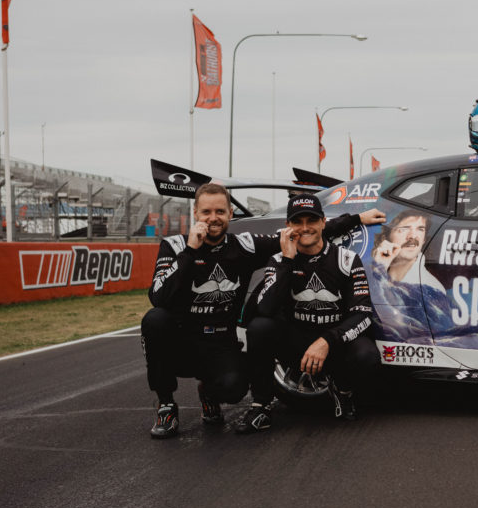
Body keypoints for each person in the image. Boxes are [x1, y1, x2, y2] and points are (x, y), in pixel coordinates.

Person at [141, 181, 383, 438]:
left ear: (230, 215)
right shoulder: (175, 246)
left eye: (220, 212)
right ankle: (166, 404)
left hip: (220, 342)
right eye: (206, 212)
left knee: (233, 390)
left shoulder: (245, 245)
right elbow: (159, 297)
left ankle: (209, 391)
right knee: (155, 320)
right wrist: (190, 252)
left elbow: (302, 232)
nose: (213, 218)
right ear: (196, 214)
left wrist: (356, 218)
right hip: (183, 339)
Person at [237, 193, 379, 432]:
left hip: (334, 343)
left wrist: (327, 340)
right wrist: (287, 262)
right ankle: (261, 405)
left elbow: (362, 314)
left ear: (323, 222)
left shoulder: (346, 260)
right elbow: (266, 308)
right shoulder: (278, 260)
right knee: (260, 327)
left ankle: (342, 390)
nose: (305, 228)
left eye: (311, 221)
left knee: (367, 355)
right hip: (297, 345)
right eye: (297, 222)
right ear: (288, 226)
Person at [370, 208, 445, 294]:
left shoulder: (432, 288)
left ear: (424, 239)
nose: (412, 236)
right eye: (403, 229)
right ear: (385, 238)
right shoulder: (368, 271)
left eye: (420, 229)